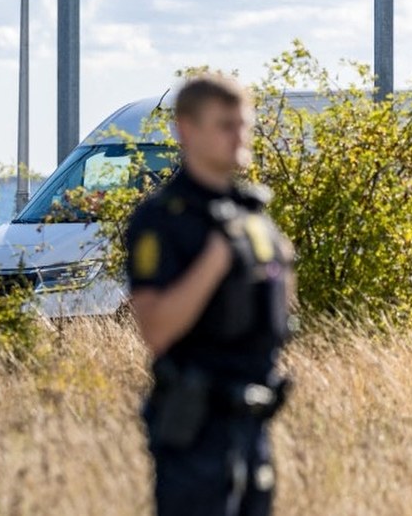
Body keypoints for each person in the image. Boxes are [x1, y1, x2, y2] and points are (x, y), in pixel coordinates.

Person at [125, 74, 296, 516]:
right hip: (196, 425)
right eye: (225, 125)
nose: (239, 136)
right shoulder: (163, 219)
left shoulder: (253, 214)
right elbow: (156, 329)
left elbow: (280, 309)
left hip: (253, 420)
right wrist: (217, 258)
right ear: (186, 129)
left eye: (243, 124)